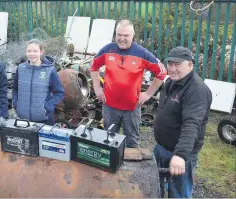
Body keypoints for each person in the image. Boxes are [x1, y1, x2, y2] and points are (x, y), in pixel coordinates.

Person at [90, 19, 167, 148]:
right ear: (115, 34)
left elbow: (162, 72)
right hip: (109, 106)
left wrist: (148, 94)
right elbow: (93, 67)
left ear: (133, 35)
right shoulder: (107, 50)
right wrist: (97, 88)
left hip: (132, 108)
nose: (122, 38)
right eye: (119, 35)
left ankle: (130, 168)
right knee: (108, 140)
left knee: (132, 143)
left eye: (126, 35)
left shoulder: (142, 53)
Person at [153, 46, 212, 198]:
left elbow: (192, 124)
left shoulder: (196, 90)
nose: (172, 68)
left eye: (177, 64)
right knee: (153, 187)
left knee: (179, 194)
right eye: (170, 63)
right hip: (161, 149)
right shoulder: (171, 82)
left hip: (181, 155)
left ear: (190, 65)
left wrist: (180, 155)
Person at [12, 39, 64, 125]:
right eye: (29, 51)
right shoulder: (21, 68)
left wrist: (47, 107)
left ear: (41, 52)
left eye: (35, 51)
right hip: (23, 119)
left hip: (44, 119)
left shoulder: (50, 70)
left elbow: (59, 93)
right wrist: (16, 103)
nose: (31, 54)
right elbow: (15, 89)